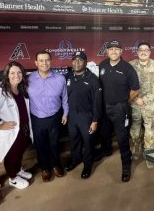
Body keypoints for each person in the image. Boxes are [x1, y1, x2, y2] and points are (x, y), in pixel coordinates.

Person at [0, 62, 33, 190]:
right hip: (11, 131)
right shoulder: (0, 94)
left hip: (24, 129)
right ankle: (13, 178)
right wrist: (0, 126)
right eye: (12, 73)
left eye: (19, 72)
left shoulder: (21, 90)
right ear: (7, 76)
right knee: (11, 155)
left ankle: (18, 170)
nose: (16, 75)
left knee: (19, 152)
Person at [98, 40, 139, 182]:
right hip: (104, 106)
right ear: (107, 51)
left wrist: (124, 101)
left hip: (120, 108)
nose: (113, 52)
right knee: (104, 133)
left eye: (116, 49)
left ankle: (126, 165)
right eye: (111, 49)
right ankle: (107, 150)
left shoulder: (127, 68)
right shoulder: (102, 65)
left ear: (121, 51)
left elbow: (135, 89)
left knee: (122, 139)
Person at [28, 51, 68, 182]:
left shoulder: (60, 78)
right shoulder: (28, 79)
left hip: (54, 117)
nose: (44, 63)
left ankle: (56, 164)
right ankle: (45, 168)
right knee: (40, 145)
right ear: (36, 63)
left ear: (51, 61)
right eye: (41, 60)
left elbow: (65, 98)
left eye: (47, 60)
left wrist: (66, 113)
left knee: (54, 143)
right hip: (37, 118)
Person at [64, 51, 102, 179]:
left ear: (85, 63)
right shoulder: (68, 77)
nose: (77, 63)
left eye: (80, 60)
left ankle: (87, 164)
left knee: (88, 142)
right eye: (74, 60)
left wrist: (95, 120)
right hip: (72, 116)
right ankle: (75, 159)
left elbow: (97, 102)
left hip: (87, 117)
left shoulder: (93, 79)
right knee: (74, 140)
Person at [129, 42, 154, 168]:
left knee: (150, 131)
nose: (143, 52)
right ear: (137, 52)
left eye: (146, 50)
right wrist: (136, 98)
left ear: (150, 52)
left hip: (150, 105)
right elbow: (126, 84)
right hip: (134, 104)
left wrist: (144, 100)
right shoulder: (130, 66)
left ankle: (149, 155)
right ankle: (137, 146)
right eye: (141, 49)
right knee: (135, 129)